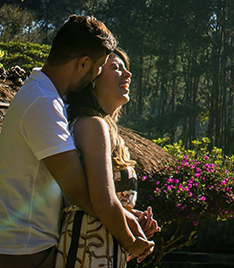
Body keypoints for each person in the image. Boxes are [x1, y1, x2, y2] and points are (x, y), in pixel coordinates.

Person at [0, 16, 149, 268]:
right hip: (22, 252)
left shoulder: (45, 98)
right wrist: (128, 236)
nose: (98, 73)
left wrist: (121, 215)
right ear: (82, 63)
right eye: (100, 66)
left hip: (23, 248)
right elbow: (78, 190)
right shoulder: (42, 102)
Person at [57, 49, 159, 268]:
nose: (127, 74)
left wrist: (134, 218)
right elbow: (101, 202)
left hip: (103, 248)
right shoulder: (91, 124)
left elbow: (104, 197)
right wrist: (133, 243)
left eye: (126, 68)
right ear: (93, 80)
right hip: (88, 248)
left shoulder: (107, 131)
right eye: (116, 67)